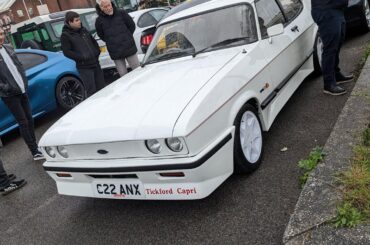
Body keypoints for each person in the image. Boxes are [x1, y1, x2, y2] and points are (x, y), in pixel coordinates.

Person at [0, 26, 44, 161]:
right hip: (10, 95)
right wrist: (7, 88)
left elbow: (19, 66)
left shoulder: (8, 47)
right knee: (23, 122)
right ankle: (34, 151)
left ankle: (35, 146)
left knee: (30, 119)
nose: (1, 37)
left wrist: (24, 82)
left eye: (1, 33)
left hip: (22, 89)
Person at [311, 0, 354, 96]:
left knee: (338, 41)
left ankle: (336, 74)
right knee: (330, 48)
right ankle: (329, 83)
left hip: (337, 9)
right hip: (325, 10)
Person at [61, 11, 105, 97]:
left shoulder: (84, 30)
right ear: (70, 22)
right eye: (76, 20)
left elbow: (93, 42)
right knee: (92, 92)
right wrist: (82, 57)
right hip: (85, 68)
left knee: (103, 89)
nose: (79, 22)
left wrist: (97, 52)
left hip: (96, 64)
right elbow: (67, 52)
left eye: (79, 20)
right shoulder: (65, 36)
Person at [95, 0, 140, 77]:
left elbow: (131, 25)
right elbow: (101, 35)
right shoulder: (99, 21)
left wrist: (127, 36)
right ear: (101, 7)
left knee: (138, 71)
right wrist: (111, 41)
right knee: (123, 76)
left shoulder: (121, 13)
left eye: (109, 5)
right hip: (115, 51)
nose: (109, 8)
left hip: (128, 47)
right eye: (106, 6)